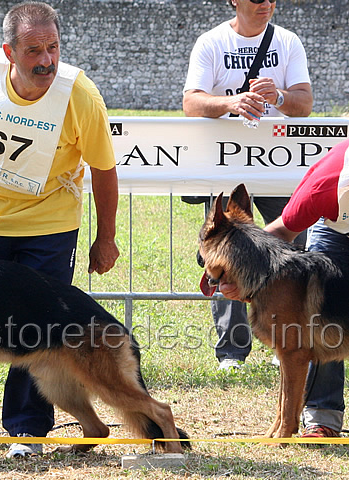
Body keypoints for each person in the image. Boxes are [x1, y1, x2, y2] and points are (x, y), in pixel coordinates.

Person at [0, 1, 120, 458]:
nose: (47, 60)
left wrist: (105, 236)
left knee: (37, 330)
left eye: (53, 47)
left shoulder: (80, 95)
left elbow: (104, 167)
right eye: (34, 50)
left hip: (50, 226)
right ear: (9, 53)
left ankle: (27, 431)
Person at [182, 0, 313, 371]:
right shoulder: (210, 42)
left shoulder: (288, 42)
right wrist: (232, 102)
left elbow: (304, 103)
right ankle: (231, 352)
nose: (266, 4)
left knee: (291, 246)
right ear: (235, 1)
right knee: (225, 251)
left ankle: (283, 339)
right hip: (226, 162)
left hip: (278, 163)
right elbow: (191, 102)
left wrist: (281, 97)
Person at [220, 138, 349, 439]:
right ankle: (321, 418)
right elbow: (279, 232)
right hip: (335, 229)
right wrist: (244, 277)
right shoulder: (325, 184)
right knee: (318, 317)